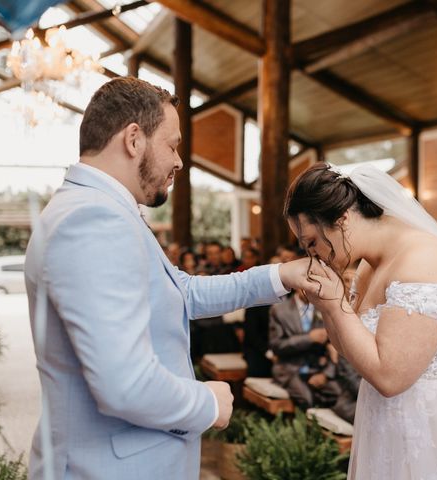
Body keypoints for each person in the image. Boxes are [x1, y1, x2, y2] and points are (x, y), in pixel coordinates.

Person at [23, 77, 306, 480]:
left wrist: (279, 275)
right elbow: (125, 383)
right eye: (172, 145)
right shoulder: (93, 220)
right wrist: (207, 403)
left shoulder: (107, 211)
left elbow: (180, 291)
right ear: (134, 139)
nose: (179, 161)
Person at [284, 163, 437, 479]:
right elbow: (350, 349)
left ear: (342, 219)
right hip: (395, 425)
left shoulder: (422, 260)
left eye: (312, 242)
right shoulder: (368, 266)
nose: (313, 256)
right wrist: (328, 304)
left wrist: (334, 306)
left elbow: (390, 377)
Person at [269, 289, 340, 410]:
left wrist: (325, 374)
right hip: (291, 369)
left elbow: (333, 348)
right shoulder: (279, 310)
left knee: (337, 393)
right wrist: (308, 338)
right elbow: (276, 346)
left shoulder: (323, 308)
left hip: (317, 368)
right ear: (297, 286)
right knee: (306, 399)